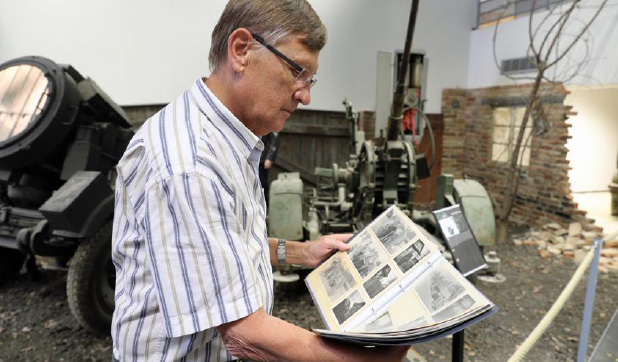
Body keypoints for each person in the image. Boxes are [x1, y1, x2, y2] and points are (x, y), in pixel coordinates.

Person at [111, 0, 410, 361]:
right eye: (297, 71)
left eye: (309, 78)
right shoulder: (191, 163)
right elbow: (245, 336)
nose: (305, 94)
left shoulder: (228, 140)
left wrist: (303, 252)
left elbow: (227, 244)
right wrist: (367, 359)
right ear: (241, 51)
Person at [258, 131, 278, 205]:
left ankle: (265, 210)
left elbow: (274, 140)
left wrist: (269, 157)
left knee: (262, 185)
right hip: (245, 156)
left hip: (261, 159)